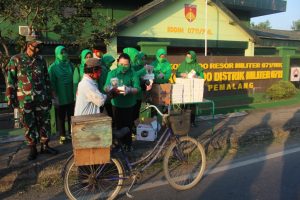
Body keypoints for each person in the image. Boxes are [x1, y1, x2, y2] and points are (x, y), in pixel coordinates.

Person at [6, 34, 57, 160]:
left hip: (42, 98)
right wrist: (10, 97)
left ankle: (45, 145)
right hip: (25, 99)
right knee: (29, 123)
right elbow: (11, 81)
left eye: (40, 47)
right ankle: (32, 148)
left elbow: (46, 79)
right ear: (28, 45)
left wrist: (50, 95)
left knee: (44, 122)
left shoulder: (41, 60)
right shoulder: (16, 59)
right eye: (36, 46)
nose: (38, 49)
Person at [104, 53, 141, 151]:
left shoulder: (133, 73)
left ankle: (128, 144)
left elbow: (138, 88)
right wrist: (111, 88)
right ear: (117, 63)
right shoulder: (112, 73)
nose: (123, 67)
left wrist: (129, 90)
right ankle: (119, 145)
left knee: (128, 125)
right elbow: (105, 87)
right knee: (118, 125)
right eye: (121, 64)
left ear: (129, 64)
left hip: (129, 104)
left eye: (126, 65)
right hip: (116, 104)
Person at [48, 46, 74, 144]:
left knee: (72, 116)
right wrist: (54, 97)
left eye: (65, 52)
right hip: (59, 97)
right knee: (61, 118)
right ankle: (62, 135)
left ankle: (72, 134)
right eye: (61, 52)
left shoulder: (70, 65)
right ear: (57, 54)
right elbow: (51, 83)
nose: (64, 54)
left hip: (70, 96)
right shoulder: (53, 67)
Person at [176, 50, 205, 127]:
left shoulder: (197, 66)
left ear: (194, 58)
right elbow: (177, 74)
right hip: (184, 89)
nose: (188, 58)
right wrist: (182, 74)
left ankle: (192, 121)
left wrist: (196, 76)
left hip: (193, 90)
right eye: (187, 57)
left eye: (190, 57)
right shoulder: (182, 64)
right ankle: (182, 122)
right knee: (183, 105)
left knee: (193, 106)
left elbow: (202, 77)